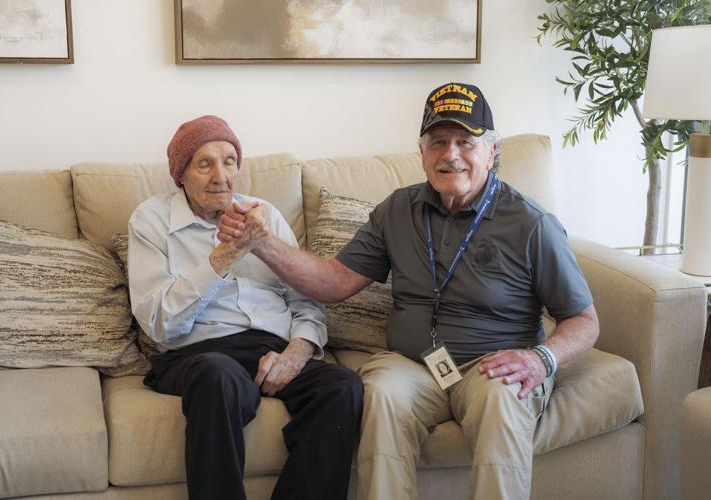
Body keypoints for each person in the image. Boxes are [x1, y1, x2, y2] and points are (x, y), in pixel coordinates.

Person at [218, 83, 599, 500]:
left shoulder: (531, 223)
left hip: (495, 363)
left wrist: (541, 358)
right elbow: (334, 282)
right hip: (413, 365)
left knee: (501, 398)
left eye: (465, 142)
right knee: (380, 394)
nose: (450, 154)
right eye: (438, 142)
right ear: (422, 154)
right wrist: (262, 242)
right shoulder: (397, 210)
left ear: (492, 152)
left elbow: (583, 320)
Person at [128, 115, 363, 500]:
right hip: (197, 353)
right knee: (217, 374)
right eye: (204, 164)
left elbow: (306, 299)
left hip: (270, 348)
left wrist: (297, 351)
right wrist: (225, 256)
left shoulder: (264, 215)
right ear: (180, 174)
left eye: (229, 161)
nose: (220, 176)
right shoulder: (151, 220)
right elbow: (160, 323)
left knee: (343, 386)